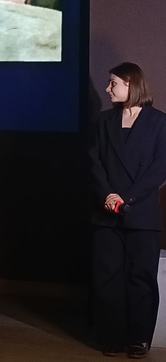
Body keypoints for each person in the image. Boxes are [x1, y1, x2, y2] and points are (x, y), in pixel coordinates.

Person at [89, 62, 166, 358]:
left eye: (113, 83)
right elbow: (94, 162)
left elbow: (160, 168)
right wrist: (108, 195)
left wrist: (127, 197)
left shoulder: (159, 122)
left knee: (141, 277)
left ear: (131, 84)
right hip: (106, 212)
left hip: (142, 214)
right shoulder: (104, 120)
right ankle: (112, 337)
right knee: (107, 278)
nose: (108, 89)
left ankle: (139, 339)